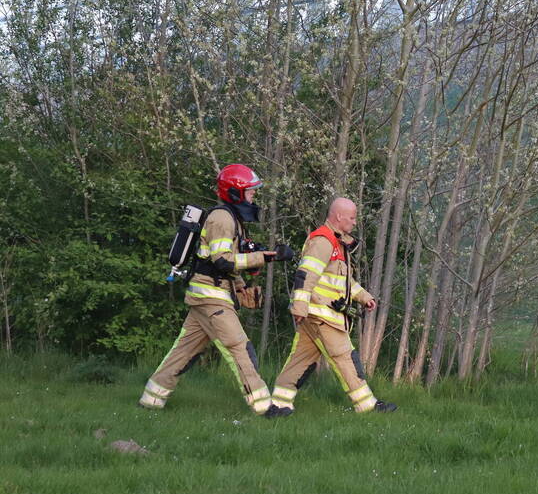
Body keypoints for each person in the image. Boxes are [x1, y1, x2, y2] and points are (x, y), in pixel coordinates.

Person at [139, 164, 287, 414]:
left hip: (206, 295)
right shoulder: (221, 219)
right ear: (234, 193)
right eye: (250, 192)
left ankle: (151, 399)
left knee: (183, 352)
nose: (253, 197)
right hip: (210, 298)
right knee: (239, 348)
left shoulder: (233, 219)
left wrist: (240, 287)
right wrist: (264, 257)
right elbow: (222, 260)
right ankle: (264, 407)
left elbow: (225, 265)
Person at [265, 198, 397, 417]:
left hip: (317, 315)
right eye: (352, 217)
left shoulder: (338, 244)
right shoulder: (323, 241)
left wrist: (364, 297)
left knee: (300, 359)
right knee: (345, 357)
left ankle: (279, 403)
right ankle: (367, 406)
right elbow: (305, 275)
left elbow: (344, 282)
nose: (355, 222)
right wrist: (299, 307)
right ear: (339, 217)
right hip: (321, 315)